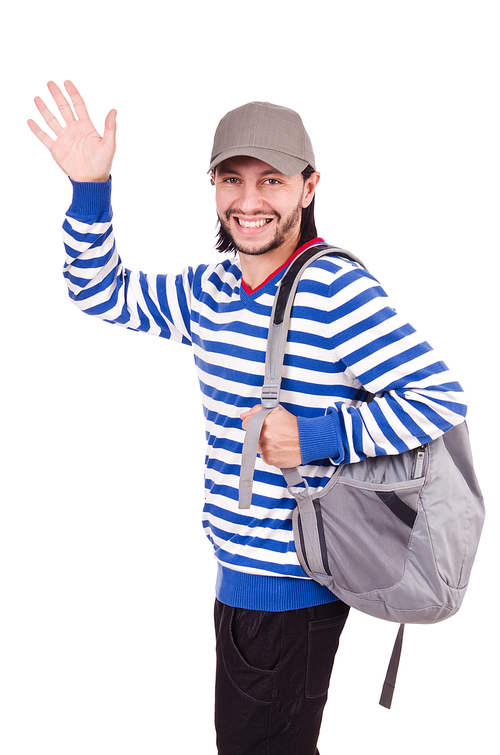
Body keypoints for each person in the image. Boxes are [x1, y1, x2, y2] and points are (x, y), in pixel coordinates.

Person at [28, 82, 467, 755]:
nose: (249, 199)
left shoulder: (333, 288)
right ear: (213, 187)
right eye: (231, 179)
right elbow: (100, 290)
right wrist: (92, 188)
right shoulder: (211, 290)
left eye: (271, 179)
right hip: (238, 576)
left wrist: (318, 435)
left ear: (309, 186)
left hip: (291, 584)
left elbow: (439, 399)